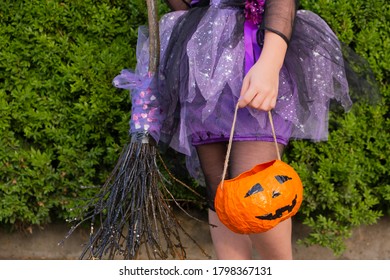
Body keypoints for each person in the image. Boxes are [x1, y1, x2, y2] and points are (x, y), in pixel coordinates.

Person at [128, 0, 352, 259]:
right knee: (221, 194)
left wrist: (270, 63)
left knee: (260, 188)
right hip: (205, 58)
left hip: (256, 53)